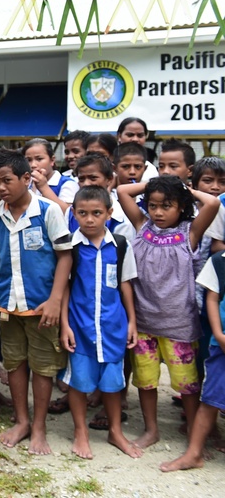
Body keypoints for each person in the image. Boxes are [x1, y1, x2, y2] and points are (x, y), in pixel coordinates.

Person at [0, 148, 72, 455]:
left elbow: (64, 256)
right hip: (7, 304)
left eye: (7, 180)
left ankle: (40, 427)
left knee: (44, 367)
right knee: (15, 362)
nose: (1, 187)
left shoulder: (49, 211)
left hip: (42, 305)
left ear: (26, 178)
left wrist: (55, 300)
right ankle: (22, 421)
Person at [116, 175, 220, 448]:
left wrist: (184, 188)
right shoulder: (142, 226)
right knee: (146, 381)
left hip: (179, 324)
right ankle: (152, 430)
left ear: (182, 206)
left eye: (167, 205)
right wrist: (157, 183)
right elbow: (122, 190)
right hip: (144, 322)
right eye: (152, 205)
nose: (158, 212)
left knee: (188, 384)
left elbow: (211, 202)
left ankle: (196, 431)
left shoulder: (190, 232)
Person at [59, 186, 141, 459]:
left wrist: (132, 322)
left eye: (96, 213)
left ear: (109, 212)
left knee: (112, 383)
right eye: (82, 213)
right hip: (80, 328)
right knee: (79, 382)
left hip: (112, 327)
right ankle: (80, 431)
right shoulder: (70, 245)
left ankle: (115, 431)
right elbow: (65, 287)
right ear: (74, 213)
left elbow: (126, 284)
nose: (90, 219)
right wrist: (65, 325)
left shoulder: (119, 246)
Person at [160, 248, 225, 472]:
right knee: (211, 400)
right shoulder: (219, 262)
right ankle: (194, 454)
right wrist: (218, 335)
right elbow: (213, 298)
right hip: (223, 347)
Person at [23, 138, 78, 212]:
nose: (33, 165)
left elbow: (68, 214)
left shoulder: (67, 183)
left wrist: (43, 187)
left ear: (52, 160)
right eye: (28, 160)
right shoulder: (26, 183)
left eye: (39, 159)